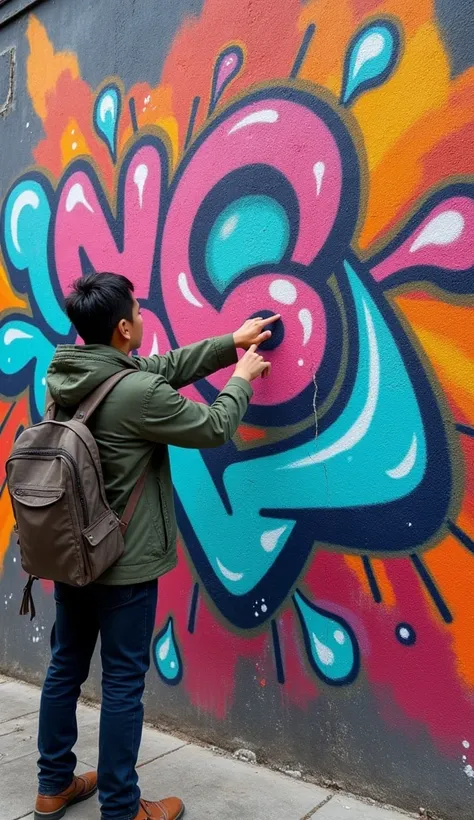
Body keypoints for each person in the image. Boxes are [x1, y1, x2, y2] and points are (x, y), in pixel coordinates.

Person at [34, 272, 278, 820]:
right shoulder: (136, 393)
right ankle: (121, 807)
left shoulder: (68, 376)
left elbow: (158, 368)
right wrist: (242, 377)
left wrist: (227, 343)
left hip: (72, 557)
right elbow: (214, 427)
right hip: (123, 563)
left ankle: (52, 786)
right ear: (124, 328)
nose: (144, 318)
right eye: (139, 312)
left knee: (64, 667)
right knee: (122, 683)